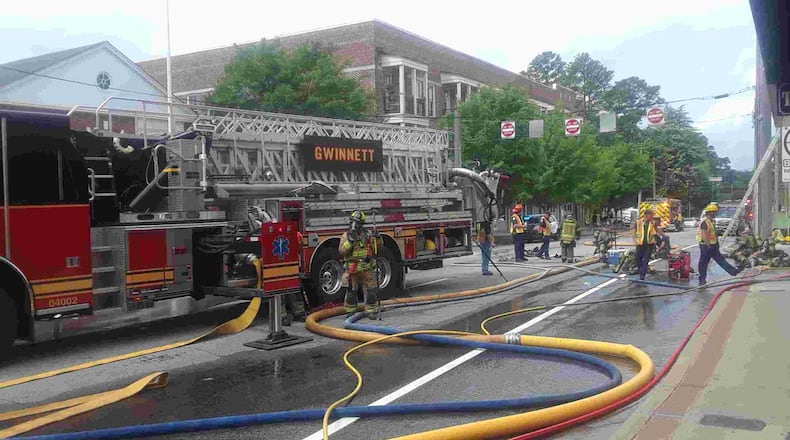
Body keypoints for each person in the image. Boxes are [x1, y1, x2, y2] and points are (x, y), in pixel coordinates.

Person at [339, 211, 382, 318]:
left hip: (367, 267)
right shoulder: (346, 236)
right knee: (351, 291)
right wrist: (350, 241)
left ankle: (371, 310)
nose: (354, 225)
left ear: (362, 224)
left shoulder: (368, 235)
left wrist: (378, 238)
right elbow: (342, 251)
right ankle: (350, 311)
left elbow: (378, 248)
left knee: (371, 290)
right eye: (353, 222)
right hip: (353, 268)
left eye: (357, 223)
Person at [697, 204, 741, 285]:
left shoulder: (710, 221)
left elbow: (713, 234)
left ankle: (733, 271)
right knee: (703, 263)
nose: (715, 214)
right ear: (710, 213)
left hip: (712, 245)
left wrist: (716, 243)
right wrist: (708, 245)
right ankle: (702, 280)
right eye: (714, 212)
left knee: (720, 260)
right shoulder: (705, 222)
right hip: (706, 246)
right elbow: (704, 235)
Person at [634, 209, 661, 280]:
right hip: (640, 243)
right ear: (646, 215)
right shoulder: (638, 222)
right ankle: (640, 270)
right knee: (637, 258)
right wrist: (634, 240)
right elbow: (634, 231)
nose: (652, 216)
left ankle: (642, 274)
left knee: (645, 259)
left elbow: (657, 230)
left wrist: (663, 235)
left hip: (649, 244)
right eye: (651, 215)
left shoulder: (653, 222)